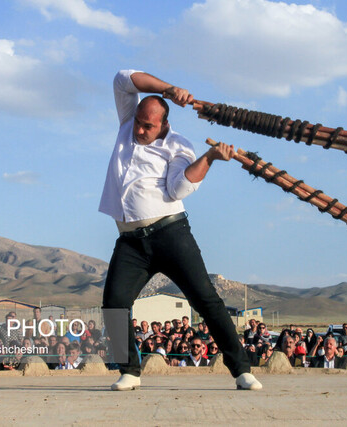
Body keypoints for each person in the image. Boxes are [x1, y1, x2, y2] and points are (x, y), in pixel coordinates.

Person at [100, 68, 261, 391]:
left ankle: (242, 369)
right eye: (139, 122)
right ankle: (130, 371)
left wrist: (211, 156)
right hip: (130, 241)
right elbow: (123, 78)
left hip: (170, 234)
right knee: (114, 303)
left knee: (205, 300)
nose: (141, 130)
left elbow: (178, 189)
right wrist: (170, 88)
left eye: (149, 126)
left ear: (165, 125)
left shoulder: (178, 146)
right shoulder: (126, 126)